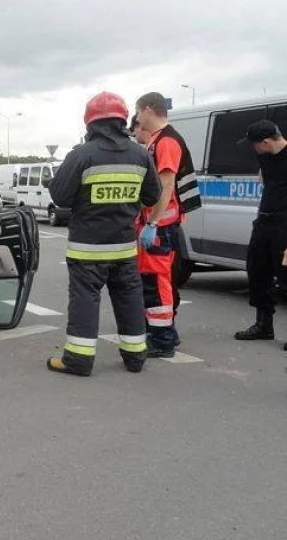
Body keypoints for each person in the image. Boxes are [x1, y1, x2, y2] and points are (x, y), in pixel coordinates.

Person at [46, 91, 162, 376]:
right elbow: (153, 196)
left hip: (87, 249)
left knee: (85, 301)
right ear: (123, 120)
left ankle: (78, 360)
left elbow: (60, 197)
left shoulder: (82, 155)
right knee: (130, 300)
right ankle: (135, 358)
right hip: (124, 247)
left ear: (90, 123)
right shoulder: (139, 154)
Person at [134, 92, 201, 358]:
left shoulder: (167, 142)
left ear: (148, 110)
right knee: (155, 280)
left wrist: (152, 222)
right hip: (159, 223)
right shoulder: (159, 140)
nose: (137, 118)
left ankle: (162, 339)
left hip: (161, 224)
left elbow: (166, 185)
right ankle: (164, 334)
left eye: (138, 112)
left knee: (156, 281)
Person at [233, 120, 287, 349]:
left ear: (266, 141)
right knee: (257, 270)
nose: (253, 148)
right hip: (265, 220)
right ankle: (263, 325)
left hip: (285, 224)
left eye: (255, 144)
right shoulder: (264, 157)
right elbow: (263, 179)